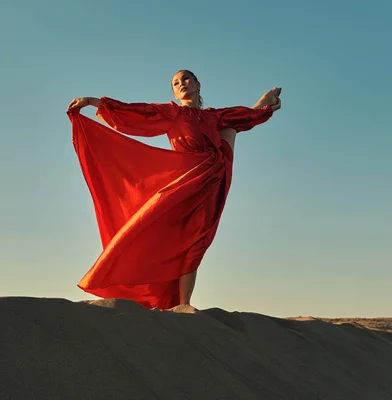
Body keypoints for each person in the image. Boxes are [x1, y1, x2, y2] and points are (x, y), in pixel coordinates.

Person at [67, 70, 281, 310]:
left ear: (198, 84)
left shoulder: (213, 116)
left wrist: (265, 107)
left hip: (212, 176)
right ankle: (126, 277)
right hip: (185, 178)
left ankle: (183, 304)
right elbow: (136, 112)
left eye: (186, 79)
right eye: (176, 83)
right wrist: (93, 101)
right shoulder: (172, 112)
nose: (182, 84)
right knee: (149, 224)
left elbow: (242, 115)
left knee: (198, 239)